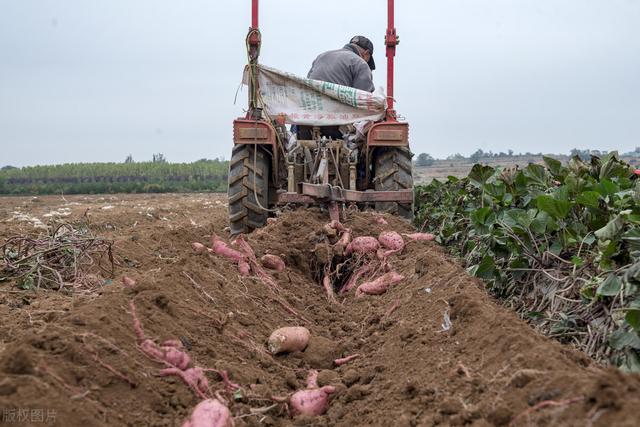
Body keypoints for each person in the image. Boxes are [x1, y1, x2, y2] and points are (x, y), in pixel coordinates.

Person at [298, 36, 376, 140]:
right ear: (366, 54)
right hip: (338, 125)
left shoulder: (321, 57)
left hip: (306, 122)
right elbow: (364, 99)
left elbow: (308, 84)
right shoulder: (361, 63)